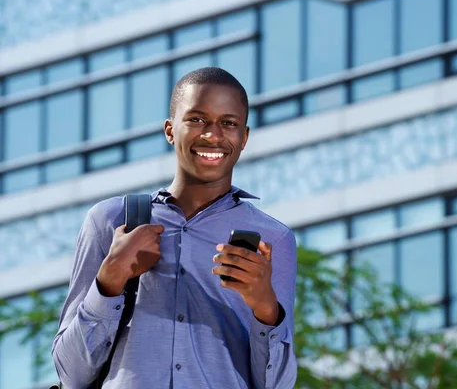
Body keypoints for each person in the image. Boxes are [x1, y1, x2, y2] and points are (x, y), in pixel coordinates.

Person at [51, 67, 298, 388]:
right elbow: (70, 375)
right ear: (170, 130)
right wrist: (108, 281)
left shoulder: (273, 239)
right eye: (196, 120)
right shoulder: (111, 220)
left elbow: (278, 384)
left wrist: (265, 307)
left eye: (229, 123)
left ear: (244, 137)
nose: (212, 134)